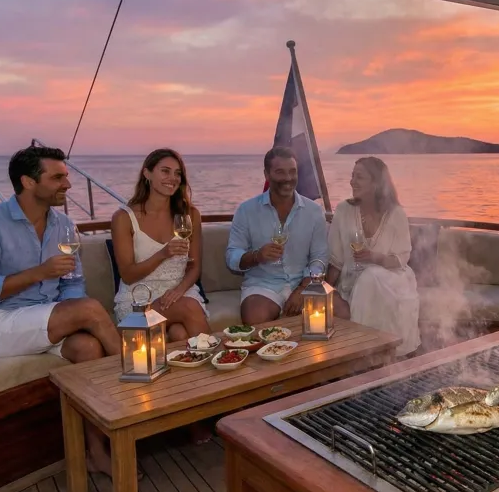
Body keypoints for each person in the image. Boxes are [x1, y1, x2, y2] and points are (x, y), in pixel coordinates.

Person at [0, 143, 122, 475]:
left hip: (46, 319)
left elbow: (73, 284)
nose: (68, 184)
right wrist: (38, 274)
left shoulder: (63, 225)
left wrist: (69, 314)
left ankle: (96, 452)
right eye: (58, 177)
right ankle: (138, 379)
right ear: (29, 182)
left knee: (88, 347)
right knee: (90, 310)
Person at [110, 148, 209, 339]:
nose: (173, 178)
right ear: (147, 173)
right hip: (139, 300)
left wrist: (179, 291)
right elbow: (128, 275)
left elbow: (195, 266)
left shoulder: (190, 215)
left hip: (180, 292)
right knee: (189, 308)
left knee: (179, 334)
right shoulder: (124, 218)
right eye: (165, 171)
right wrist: (163, 254)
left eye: (177, 173)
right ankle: (224, 358)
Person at [325, 157, 420, 356]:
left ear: (377, 183)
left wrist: (374, 257)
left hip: (392, 281)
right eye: (352, 176)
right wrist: (324, 292)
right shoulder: (344, 210)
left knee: (371, 277)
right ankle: (367, 353)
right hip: (350, 282)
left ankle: (372, 352)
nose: (352, 182)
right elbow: (336, 260)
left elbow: (401, 259)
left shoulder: (396, 214)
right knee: (365, 280)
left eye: (359, 177)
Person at [225, 146, 329, 324]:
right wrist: (257, 256)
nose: (288, 178)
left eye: (292, 172)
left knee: (341, 311)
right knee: (255, 317)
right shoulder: (246, 210)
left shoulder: (313, 211)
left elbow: (319, 258)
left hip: (303, 281)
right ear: (266, 174)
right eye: (280, 172)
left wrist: (303, 288)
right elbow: (232, 256)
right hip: (263, 285)